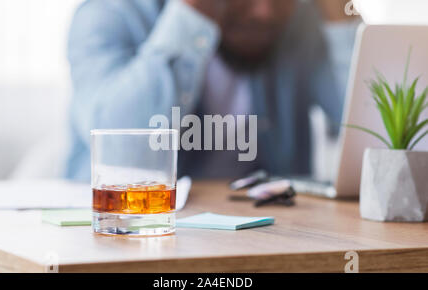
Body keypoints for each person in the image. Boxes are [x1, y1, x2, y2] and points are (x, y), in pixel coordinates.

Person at [65, 0, 358, 181]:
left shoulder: (300, 23)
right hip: (126, 238)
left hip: (265, 242)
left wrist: (341, 15)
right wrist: (190, 14)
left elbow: (382, 139)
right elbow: (118, 151)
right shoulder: (110, 14)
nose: (264, 11)